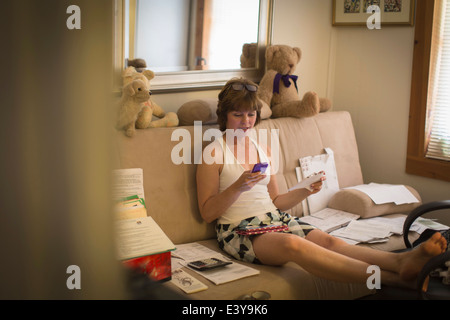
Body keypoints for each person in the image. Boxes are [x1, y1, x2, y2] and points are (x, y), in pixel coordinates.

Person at [196, 77, 447, 288]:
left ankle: (399, 262)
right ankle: (395, 281)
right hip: (238, 230)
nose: (246, 121)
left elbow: (276, 202)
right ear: (224, 116)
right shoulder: (213, 154)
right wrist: (238, 186)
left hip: (274, 219)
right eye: (237, 114)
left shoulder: (263, 150)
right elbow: (208, 213)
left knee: (329, 241)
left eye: (251, 114)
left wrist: (303, 190)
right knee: (293, 244)